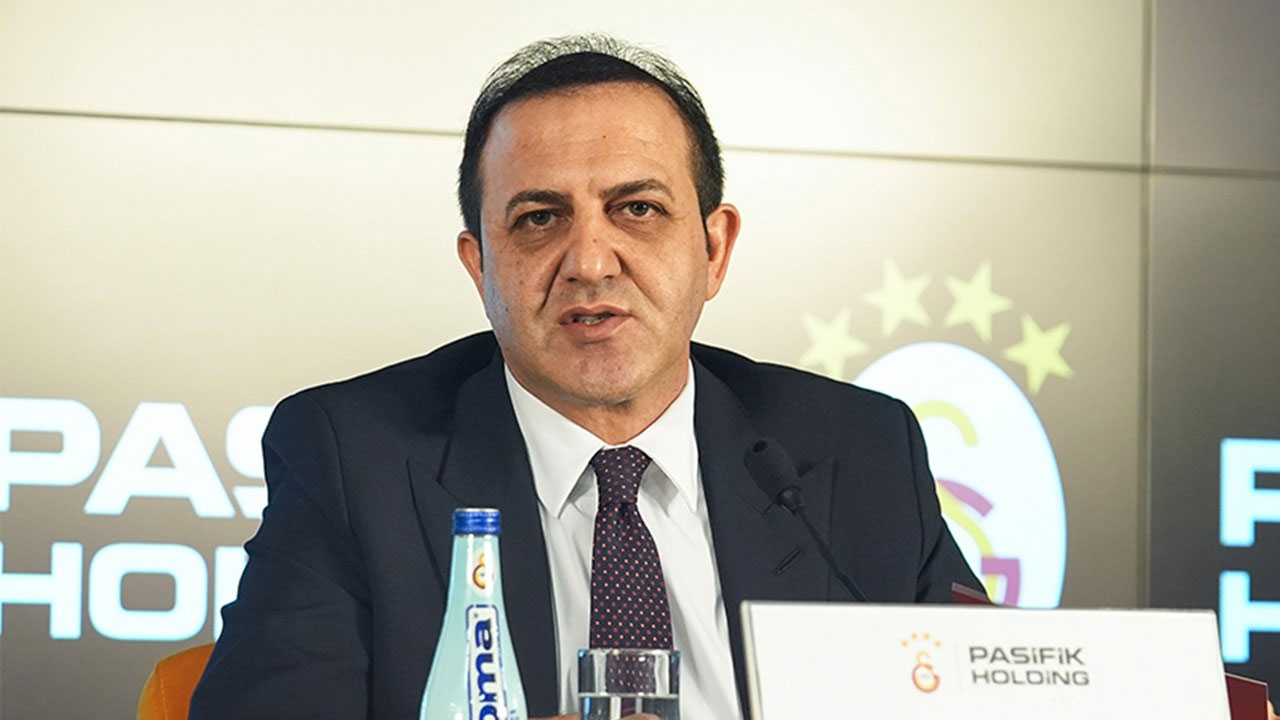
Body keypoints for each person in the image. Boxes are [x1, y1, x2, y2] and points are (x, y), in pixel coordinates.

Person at [190, 34, 980, 720]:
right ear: (479, 265)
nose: (591, 262)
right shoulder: (355, 459)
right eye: (539, 219)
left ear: (715, 249)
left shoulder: (859, 450)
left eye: (637, 209)